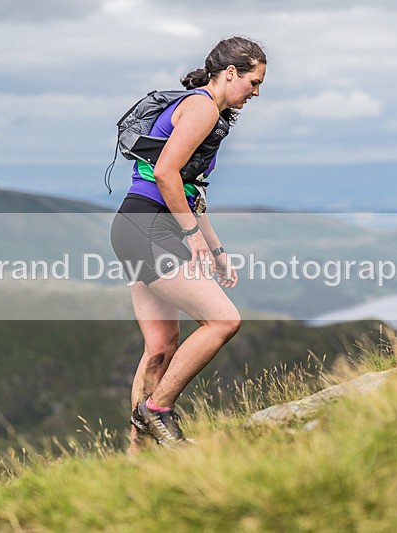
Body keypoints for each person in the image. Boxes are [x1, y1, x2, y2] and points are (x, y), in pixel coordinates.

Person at [109, 36, 267, 450]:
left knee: (160, 347)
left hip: (136, 226)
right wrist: (194, 237)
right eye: (253, 82)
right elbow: (165, 174)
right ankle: (157, 411)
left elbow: (190, 191)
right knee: (223, 321)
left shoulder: (204, 109)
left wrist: (216, 250)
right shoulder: (201, 108)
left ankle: (138, 457)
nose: (255, 93)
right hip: (148, 228)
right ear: (230, 73)